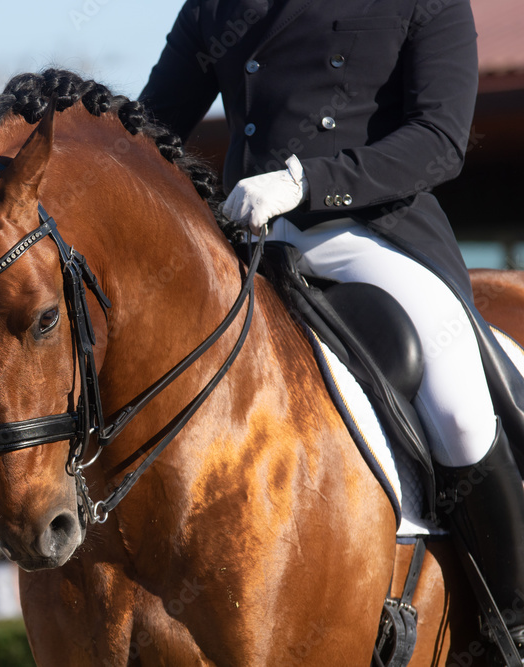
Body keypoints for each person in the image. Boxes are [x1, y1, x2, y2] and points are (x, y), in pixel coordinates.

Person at [139, 0, 524, 657]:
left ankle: (511, 620)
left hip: (373, 232)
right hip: (248, 235)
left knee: (460, 410)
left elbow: (439, 138)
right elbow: (149, 131)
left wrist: (305, 182)